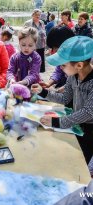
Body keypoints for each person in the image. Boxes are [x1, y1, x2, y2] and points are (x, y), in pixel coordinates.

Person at [31, 36, 93, 164]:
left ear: (79, 65)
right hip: (75, 124)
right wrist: (44, 92)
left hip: (90, 132)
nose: (61, 68)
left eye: (63, 65)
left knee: (81, 162)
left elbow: (88, 112)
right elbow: (65, 98)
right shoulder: (72, 76)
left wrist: (57, 122)